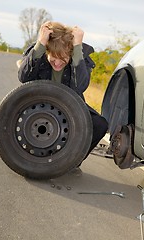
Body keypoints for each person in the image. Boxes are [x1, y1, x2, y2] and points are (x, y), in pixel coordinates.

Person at [18, 21, 108, 175]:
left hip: (70, 107)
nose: (58, 63)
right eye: (53, 57)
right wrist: (41, 43)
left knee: (100, 124)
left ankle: (71, 163)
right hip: (38, 104)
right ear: (47, 50)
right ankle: (26, 154)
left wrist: (78, 46)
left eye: (64, 58)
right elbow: (23, 77)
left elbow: (80, 86)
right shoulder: (39, 52)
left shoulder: (79, 58)